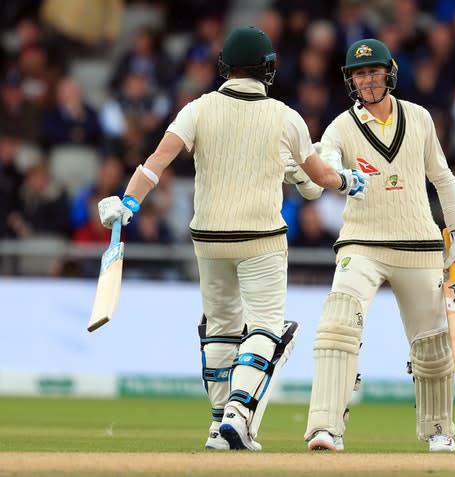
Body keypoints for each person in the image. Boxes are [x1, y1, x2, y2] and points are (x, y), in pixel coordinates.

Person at [96, 26, 367, 451]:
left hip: (208, 238)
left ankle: (217, 426)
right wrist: (349, 180)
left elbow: (156, 162)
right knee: (266, 326)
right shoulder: (286, 116)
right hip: (260, 237)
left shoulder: (198, 108)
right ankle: (239, 415)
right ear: (268, 69)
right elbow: (319, 179)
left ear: (225, 66)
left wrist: (128, 203)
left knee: (220, 330)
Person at [304, 38, 455, 453]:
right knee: (338, 322)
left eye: (374, 72)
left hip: (417, 244)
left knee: (432, 343)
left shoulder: (418, 118)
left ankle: (439, 430)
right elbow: (323, 161)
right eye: (359, 74)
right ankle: (325, 428)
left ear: (389, 73)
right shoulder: (341, 126)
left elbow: (444, 178)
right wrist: (316, 166)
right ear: (351, 80)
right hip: (361, 242)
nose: (367, 80)